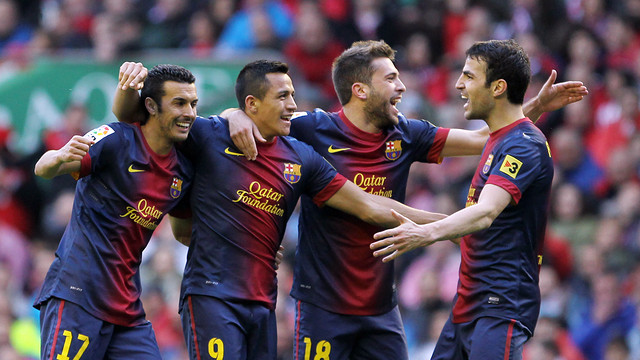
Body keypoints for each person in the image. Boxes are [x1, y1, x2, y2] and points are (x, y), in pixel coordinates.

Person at [226, 40, 587, 359]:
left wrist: (532, 106)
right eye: (391, 79)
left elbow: (486, 140)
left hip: (382, 307)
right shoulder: (311, 129)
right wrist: (235, 114)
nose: (402, 86)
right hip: (323, 305)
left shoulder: (407, 133)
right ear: (361, 90)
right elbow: (239, 128)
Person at [114, 59, 448, 360]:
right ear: (252, 104)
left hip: (263, 303)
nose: (292, 106)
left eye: (292, 95)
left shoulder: (302, 158)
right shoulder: (209, 134)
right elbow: (136, 118)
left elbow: (369, 205)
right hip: (211, 296)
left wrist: (449, 224)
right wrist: (128, 86)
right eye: (282, 97)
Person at [371, 39, 555, 359]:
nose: (458, 84)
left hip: (500, 304)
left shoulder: (524, 145)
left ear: (497, 87)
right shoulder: (499, 138)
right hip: (469, 304)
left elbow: (485, 214)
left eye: (469, 76)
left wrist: (425, 233)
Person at [33, 63, 198, 359]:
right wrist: (57, 157)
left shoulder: (182, 172)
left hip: (127, 307)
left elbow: (184, 232)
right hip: (76, 294)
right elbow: (43, 169)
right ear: (151, 106)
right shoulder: (116, 139)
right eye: (179, 103)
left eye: (193, 103)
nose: (189, 113)